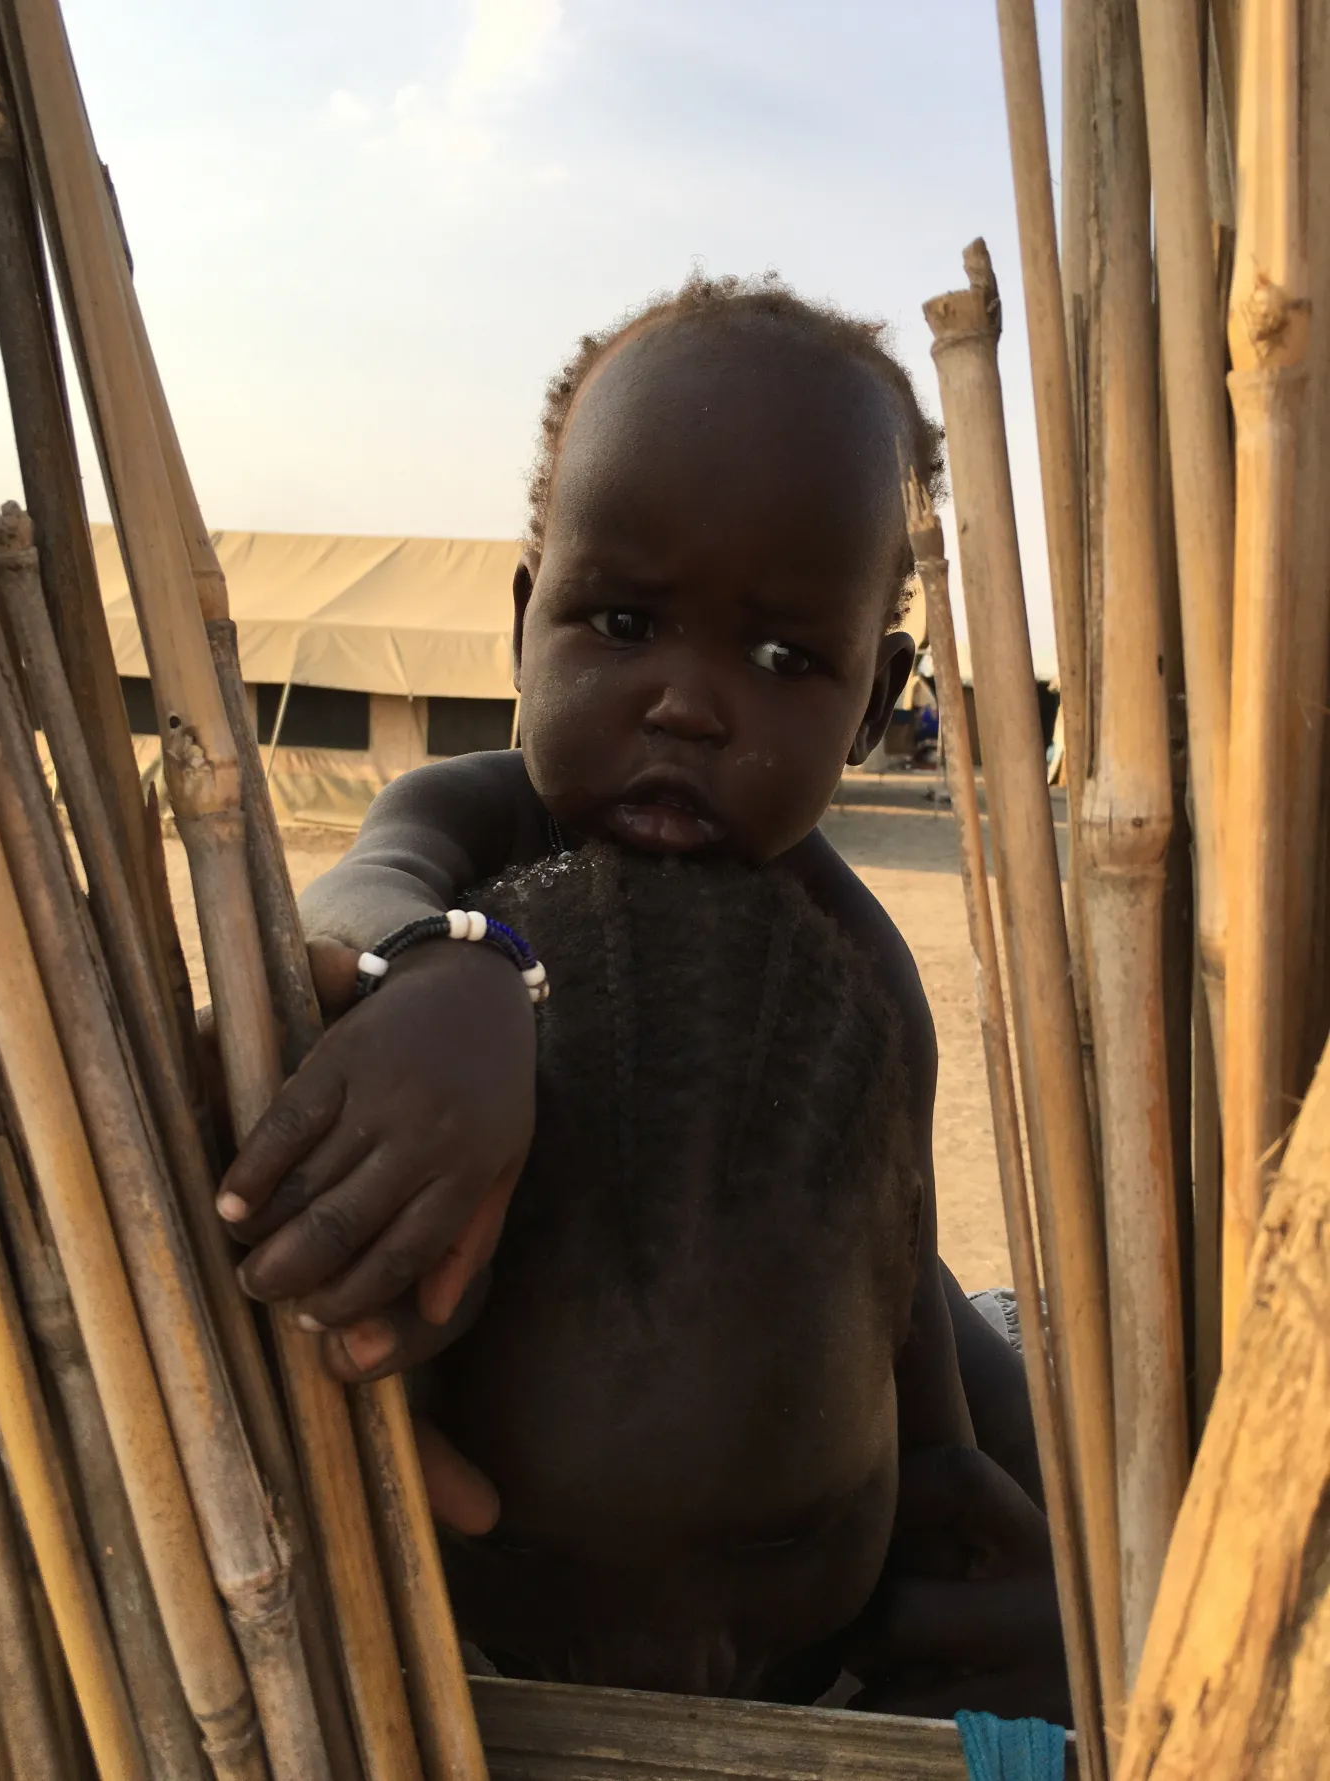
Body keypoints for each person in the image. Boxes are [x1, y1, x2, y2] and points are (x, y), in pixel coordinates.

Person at [215, 270, 1051, 1698]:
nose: (686, 700)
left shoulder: (860, 974)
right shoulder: (485, 816)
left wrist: (1030, 1568)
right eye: (620, 624)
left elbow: (909, 1336)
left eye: (784, 655)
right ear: (528, 618)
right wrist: (455, 974)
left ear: (874, 689)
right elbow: (370, 881)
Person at [401, 841, 1065, 1715]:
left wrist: (1090, 1709)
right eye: (516, 1553)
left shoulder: (1042, 1604)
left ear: (905, 1298)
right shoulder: (354, 1663)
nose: (666, 1681)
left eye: (777, 1541)